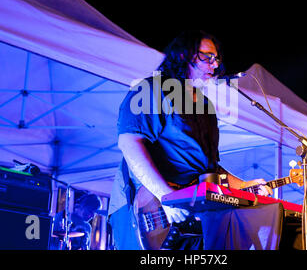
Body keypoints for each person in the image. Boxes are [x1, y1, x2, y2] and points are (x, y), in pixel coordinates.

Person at [108, 30, 283, 250]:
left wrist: (245, 186)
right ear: (183, 56)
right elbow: (130, 143)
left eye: (217, 58)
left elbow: (210, 170)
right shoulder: (151, 89)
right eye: (207, 57)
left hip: (187, 212)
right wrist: (166, 197)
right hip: (143, 207)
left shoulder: (206, 107)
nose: (215, 64)